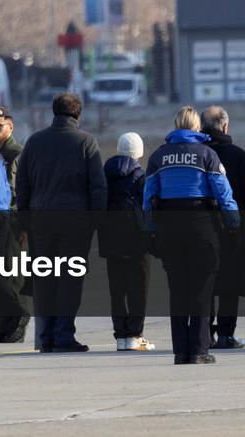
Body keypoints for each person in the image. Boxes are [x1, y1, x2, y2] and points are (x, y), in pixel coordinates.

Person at [144, 106, 239, 364]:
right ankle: (199, 350)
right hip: (201, 226)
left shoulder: (158, 157)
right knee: (201, 290)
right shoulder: (207, 154)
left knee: (178, 291)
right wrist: (233, 224)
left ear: (176, 126)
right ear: (197, 127)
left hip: (169, 228)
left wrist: (151, 230)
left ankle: (181, 351)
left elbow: (148, 197)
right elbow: (223, 193)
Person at [16, 93, 107, 353]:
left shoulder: (34, 142)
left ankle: (46, 337)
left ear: (53, 112)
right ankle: (64, 334)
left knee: (45, 278)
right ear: (77, 114)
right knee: (70, 279)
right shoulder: (86, 142)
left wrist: (25, 218)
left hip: (41, 220)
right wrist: (97, 221)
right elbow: (97, 186)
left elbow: (22, 183)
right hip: (76, 223)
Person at [98, 132, 155, 351]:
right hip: (136, 239)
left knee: (117, 288)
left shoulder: (105, 174)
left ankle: (120, 336)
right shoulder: (141, 176)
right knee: (138, 288)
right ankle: (135, 334)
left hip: (111, 239)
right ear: (139, 152)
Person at [0, 105, 29, 344]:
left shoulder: (17, 153)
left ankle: (17, 321)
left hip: (12, 219)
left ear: (10, 127)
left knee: (10, 274)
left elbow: (24, 190)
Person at [201, 106, 245, 350]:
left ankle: (206, 333)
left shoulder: (198, 154)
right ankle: (227, 335)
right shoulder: (238, 156)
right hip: (232, 229)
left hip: (201, 227)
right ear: (225, 127)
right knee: (230, 284)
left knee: (205, 283)